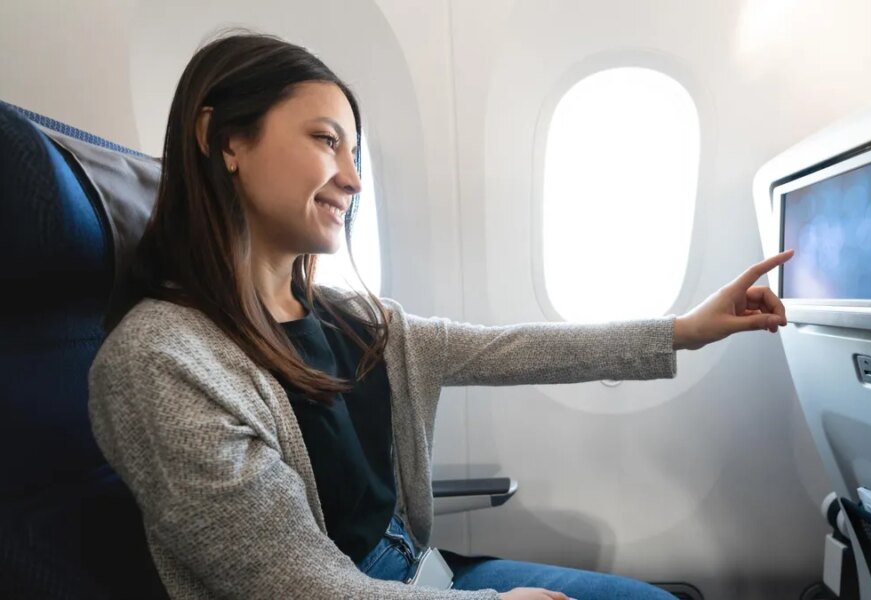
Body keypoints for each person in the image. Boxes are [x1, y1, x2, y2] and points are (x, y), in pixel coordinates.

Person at [88, 30, 793, 600]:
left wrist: (686, 330)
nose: (355, 180)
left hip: (423, 573)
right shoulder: (162, 360)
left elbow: (515, 349)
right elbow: (295, 585)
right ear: (224, 139)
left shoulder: (351, 321)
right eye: (326, 141)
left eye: (356, 153)